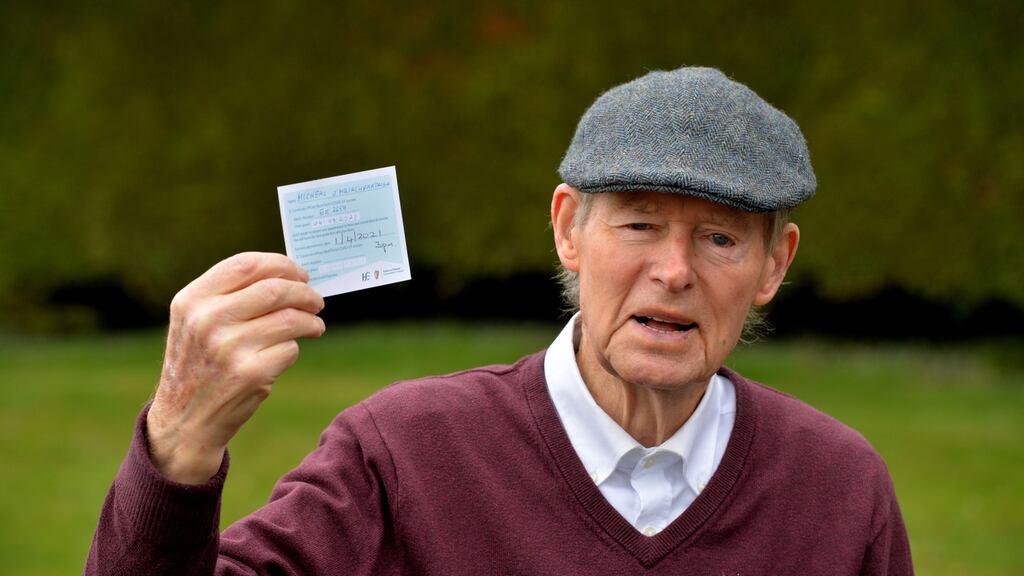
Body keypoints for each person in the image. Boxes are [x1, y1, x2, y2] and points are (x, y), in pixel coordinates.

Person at [86, 67, 913, 575]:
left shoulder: (841, 489)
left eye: (721, 237)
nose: (674, 270)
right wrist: (179, 448)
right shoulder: (402, 453)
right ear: (566, 229)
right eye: (639, 224)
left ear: (775, 264)